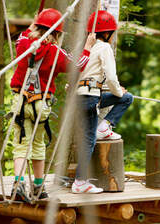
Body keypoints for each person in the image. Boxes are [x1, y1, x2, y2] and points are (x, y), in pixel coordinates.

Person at [10, 8, 96, 202]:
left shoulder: (24, 44)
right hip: (42, 103)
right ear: (57, 33)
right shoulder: (55, 52)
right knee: (38, 143)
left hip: (20, 100)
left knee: (21, 145)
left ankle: (18, 184)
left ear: (38, 27)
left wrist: (34, 23)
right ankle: (39, 185)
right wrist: (88, 47)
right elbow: (77, 64)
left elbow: (22, 37)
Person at [71, 10, 133, 194]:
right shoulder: (104, 48)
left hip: (83, 96)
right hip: (89, 97)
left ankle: (104, 127)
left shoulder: (87, 48)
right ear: (107, 33)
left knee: (127, 98)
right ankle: (80, 182)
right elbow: (112, 78)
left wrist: (118, 94)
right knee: (89, 140)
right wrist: (117, 92)